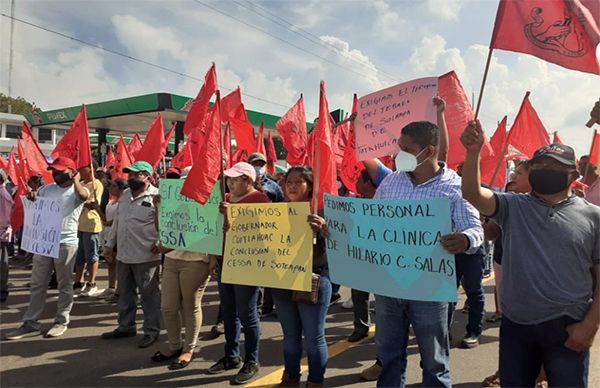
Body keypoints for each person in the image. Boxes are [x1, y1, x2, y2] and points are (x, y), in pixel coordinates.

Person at [461, 121, 599, 387]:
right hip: (517, 327)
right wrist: (473, 153)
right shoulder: (512, 206)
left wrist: (590, 326)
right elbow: (472, 194)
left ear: (572, 176)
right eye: (539, 166)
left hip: (569, 328)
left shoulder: (594, 217)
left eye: (555, 168)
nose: (545, 172)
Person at [373, 120, 484, 387]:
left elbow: (475, 230)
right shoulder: (390, 184)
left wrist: (465, 240)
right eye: (399, 148)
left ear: (429, 151)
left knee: (434, 361)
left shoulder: (456, 187)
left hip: (430, 287)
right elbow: (372, 223)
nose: (399, 155)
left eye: (407, 149)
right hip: (389, 284)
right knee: (389, 356)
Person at [5, 157, 90, 339]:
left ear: (71, 171)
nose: (55, 174)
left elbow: (84, 197)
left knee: (64, 284)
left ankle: (61, 321)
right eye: (53, 171)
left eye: (60, 171)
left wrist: (76, 181)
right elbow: (35, 204)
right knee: (37, 284)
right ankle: (31, 323)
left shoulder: (78, 190)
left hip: (65, 243)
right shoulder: (46, 189)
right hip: (43, 243)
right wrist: (32, 197)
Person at [207, 162, 270, 385]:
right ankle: (231, 356)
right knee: (228, 312)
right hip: (225, 261)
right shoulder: (225, 197)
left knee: (247, 314)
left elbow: (264, 232)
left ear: (248, 180)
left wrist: (232, 216)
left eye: (235, 179)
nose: (230, 183)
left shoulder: (260, 200)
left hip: (247, 264)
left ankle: (252, 361)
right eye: (229, 179)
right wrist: (214, 257)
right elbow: (216, 229)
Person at [271, 166, 332, 387]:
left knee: (314, 338)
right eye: (289, 182)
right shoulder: (274, 212)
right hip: (282, 280)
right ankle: (291, 377)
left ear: (309, 186)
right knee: (290, 335)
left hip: (312, 280)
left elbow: (340, 246)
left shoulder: (322, 213)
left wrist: (325, 231)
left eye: (298, 182)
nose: (293, 186)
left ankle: (315, 381)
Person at [151, 172, 211, 370]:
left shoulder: (208, 207)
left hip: (196, 260)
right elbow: (162, 229)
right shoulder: (173, 206)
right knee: (167, 307)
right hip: (171, 259)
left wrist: (211, 261)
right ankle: (174, 345)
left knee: (190, 306)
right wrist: (159, 207)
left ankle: (188, 349)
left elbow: (214, 233)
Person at [101, 161, 161, 349]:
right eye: (130, 174)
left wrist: (160, 242)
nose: (132, 178)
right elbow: (118, 221)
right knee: (126, 294)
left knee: (149, 296)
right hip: (124, 254)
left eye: (137, 175)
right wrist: (110, 244)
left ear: (148, 177)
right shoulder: (125, 195)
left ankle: (151, 331)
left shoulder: (157, 197)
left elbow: (165, 225)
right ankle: (126, 326)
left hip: (146, 256)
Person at [247, 152, 283, 316]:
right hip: (247, 234)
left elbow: (282, 205)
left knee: (269, 272)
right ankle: (256, 303)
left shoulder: (273, 186)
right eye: (255, 164)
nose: (258, 167)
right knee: (253, 273)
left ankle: (267, 306)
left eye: (261, 164)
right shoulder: (242, 184)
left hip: (269, 233)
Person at [73, 162, 104, 297]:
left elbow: (92, 204)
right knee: (79, 256)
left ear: (91, 169)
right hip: (78, 224)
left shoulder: (96, 184)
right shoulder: (80, 183)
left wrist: (80, 200)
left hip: (91, 225)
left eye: (83, 167)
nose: (79, 169)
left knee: (91, 255)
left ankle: (92, 283)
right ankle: (78, 282)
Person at [96, 178, 128, 301]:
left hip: (118, 238)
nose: (110, 188)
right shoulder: (111, 203)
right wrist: (98, 210)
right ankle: (111, 287)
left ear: (121, 189)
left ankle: (119, 291)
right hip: (108, 236)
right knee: (111, 263)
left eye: (113, 186)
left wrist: (104, 221)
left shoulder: (124, 204)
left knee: (119, 265)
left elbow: (111, 222)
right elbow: (106, 221)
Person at [0, 169, 14, 302]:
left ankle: (2, 291)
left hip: (1, 234)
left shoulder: (3, 195)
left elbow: (4, 218)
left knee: (2, 264)